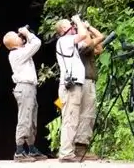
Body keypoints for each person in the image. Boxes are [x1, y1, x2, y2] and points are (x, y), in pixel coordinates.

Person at [3, 26, 46, 162]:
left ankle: (31, 148)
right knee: (24, 118)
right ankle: (19, 151)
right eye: (16, 36)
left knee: (32, 119)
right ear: (13, 43)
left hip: (30, 88)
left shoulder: (22, 51)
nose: (19, 36)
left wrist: (26, 34)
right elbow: (36, 43)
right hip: (24, 87)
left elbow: (31, 43)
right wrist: (26, 33)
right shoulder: (16, 54)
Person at [54, 15, 92, 163]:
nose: (73, 26)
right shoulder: (64, 40)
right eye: (70, 24)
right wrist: (77, 21)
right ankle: (66, 153)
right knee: (70, 119)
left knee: (73, 118)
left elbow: (87, 41)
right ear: (64, 29)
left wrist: (84, 26)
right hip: (70, 86)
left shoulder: (72, 43)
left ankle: (67, 151)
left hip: (75, 85)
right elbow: (82, 35)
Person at [74, 21, 106, 159]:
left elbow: (100, 48)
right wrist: (85, 28)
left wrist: (89, 28)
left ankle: (81, 146)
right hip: (84, 81)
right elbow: (101, 37)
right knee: (86, 114)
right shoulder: (80, 46)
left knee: (88, 113)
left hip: (89, 81)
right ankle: (80, 148)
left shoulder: (87, 47)